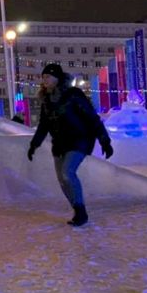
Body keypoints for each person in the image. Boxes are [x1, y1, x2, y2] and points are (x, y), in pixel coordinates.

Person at [27, 64, 113, 227]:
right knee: (62, 180)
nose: (44, 80)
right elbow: (44, 125)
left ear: (57, 78)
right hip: (59, 144)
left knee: (67, 172)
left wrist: (105, 141)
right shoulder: (47, 99)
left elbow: (92, 118)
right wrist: (34, 145)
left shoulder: (73, 94)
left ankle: (81, 212)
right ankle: (77, 209)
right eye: (43, 77)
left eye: (48, 76)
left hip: (79, 140)